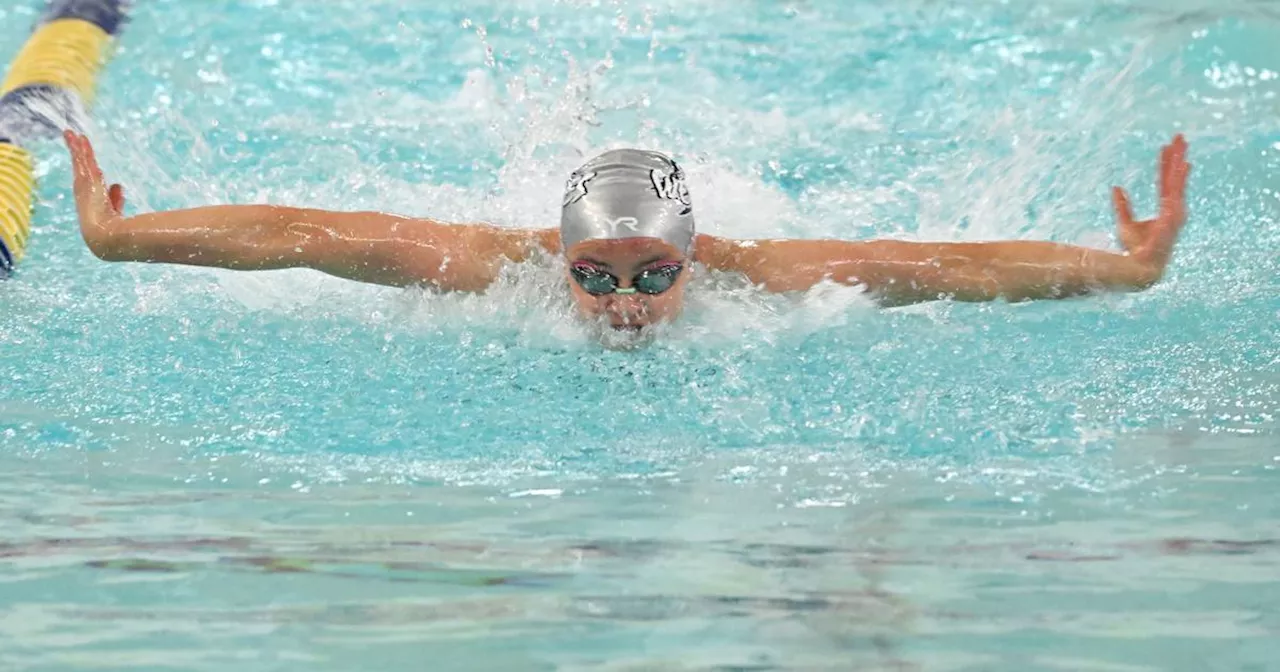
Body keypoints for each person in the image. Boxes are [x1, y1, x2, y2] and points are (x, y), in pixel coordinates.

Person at [63, 130, 1190, 334]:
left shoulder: (766, 281)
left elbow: (954, 268)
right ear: (556, 258)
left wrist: (1125, 273)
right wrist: (127, 239)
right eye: (594, 277)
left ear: (694, 257)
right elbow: (302, 234)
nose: (623, 305)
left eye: (652, 274)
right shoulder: (485, 270)